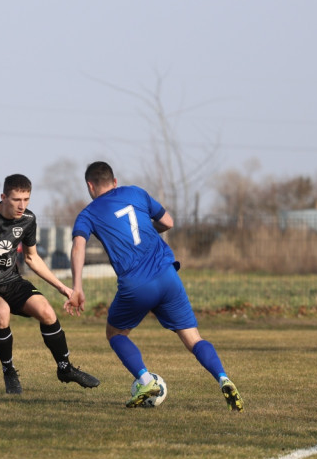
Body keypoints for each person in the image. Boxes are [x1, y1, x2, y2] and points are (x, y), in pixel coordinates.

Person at [65, 161, 243, 411]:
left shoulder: (88, 213)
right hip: (168, 275)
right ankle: (223, 377)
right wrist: (150, 227)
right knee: (193, 339)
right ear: (115, 182)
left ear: (90, 186)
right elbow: (168, 222)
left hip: (136, 284)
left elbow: (78, 246)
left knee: (115, 334)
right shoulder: (136, 192)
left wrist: (77, 286)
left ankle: (146, 380)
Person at [0, 174, 100, 395]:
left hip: (12, 281)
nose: (22, 205)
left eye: (26, 199)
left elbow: (32, 258)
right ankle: (9, 371)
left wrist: (62, 288)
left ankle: (65, 368)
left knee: (47, 312)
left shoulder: (28, 220)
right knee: (2, 313)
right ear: (3, 197)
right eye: (16, 200)